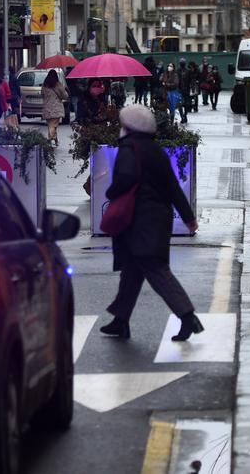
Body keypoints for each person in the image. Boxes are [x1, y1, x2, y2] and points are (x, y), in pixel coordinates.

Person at [99, 104, 203, 342]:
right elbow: (173, 187)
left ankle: (188, 317)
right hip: (157, 219)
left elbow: (124, 179)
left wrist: (111, 192)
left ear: (129, 127)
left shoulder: (129, 149)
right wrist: (188, 217)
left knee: (156, 271)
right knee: (132, 271)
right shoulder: (155, 150)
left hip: (139, 221)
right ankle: (120, 321)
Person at [41, 69, 69, 146]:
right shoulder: (58, 84)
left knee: (51, 125)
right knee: (53, 125)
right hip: (56, 108)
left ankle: (55, 139)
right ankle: (49, 139)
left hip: (47, 108)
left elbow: (42, 94)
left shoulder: (44, 84)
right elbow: (65, 96)